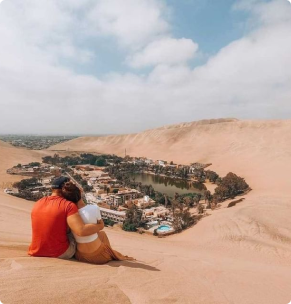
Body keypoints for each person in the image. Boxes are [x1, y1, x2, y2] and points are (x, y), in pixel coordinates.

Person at [28, 176, 103, 259]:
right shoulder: (68, 205)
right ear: (64, 188)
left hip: (36, 251)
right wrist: (100, 226)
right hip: (61, 253)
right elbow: (81, 231)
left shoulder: (38, 202)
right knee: (93, 233)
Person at [61, 181, 134, 264]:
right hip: (99, 257)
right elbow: (100, 225)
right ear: (80, 192)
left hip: (80, 255)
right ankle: (110, 254)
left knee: (101, 234)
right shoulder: (94, 208)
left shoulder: (68, 214)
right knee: (102, 234)